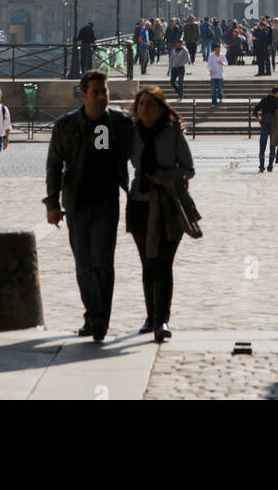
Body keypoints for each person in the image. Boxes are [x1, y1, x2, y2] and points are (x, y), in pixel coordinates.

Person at [43, 69, 133, 342]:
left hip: (106, 202)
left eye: (104, 91)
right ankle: (93, 313)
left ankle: (98, 319)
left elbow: (146, 136)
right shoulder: (65, 126)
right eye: (96, 91)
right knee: (83, 264)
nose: (102, 96)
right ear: (83, 94)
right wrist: (52, 203)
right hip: (77, 203)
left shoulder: (118, 123)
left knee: (102, 262)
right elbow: (54, 166)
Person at [127, 85, 195, 341]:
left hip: (168, 204)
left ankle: (162, 319)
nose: (145, 108)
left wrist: (164, 177)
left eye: (151, 104)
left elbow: (188, 168)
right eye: (141, 104)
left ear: (161, 108)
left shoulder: (173, 133)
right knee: (148, 262)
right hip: (140, 203)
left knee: (164, 263)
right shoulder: (131, 133)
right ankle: (150, 316)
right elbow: (107, 149)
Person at [253, 85, 278, 171]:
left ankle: (261, 166)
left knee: (262, 146)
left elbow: (255, 111)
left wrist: (259, 121)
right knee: (272, 147)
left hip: (264, 123)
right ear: (277, 93)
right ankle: (270, 166)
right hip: (274, 125)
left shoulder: (264, 99)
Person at [207, 40, 226, 104]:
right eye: (217, 49)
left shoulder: (222, 55)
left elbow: (226, 63)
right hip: (213, 75)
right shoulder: (211, 56)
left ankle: (220, 98)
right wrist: (210, 70)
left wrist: (222, 63)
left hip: (220, 75)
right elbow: (209, 64)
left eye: (219, 49)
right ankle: (214, 102)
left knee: (220, 88)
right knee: (213, 89)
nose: (218, 50)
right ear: (214, 49)